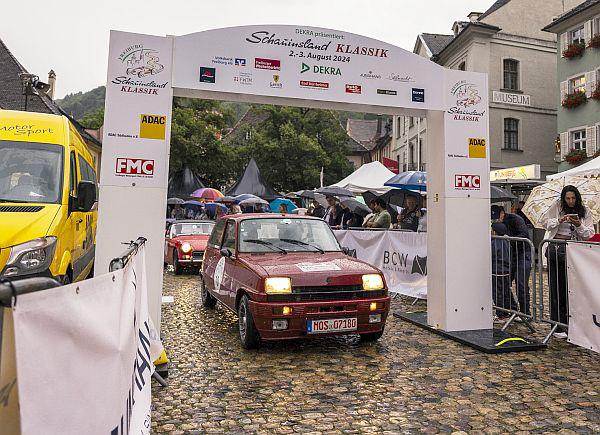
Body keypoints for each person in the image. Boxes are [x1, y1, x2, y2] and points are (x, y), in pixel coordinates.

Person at [542, 185, 595, 337]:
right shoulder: (556, 207)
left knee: (573, 287)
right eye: (568, 198)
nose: (571, 201)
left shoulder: (585, 211)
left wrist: (578, 224)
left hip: (575, 251)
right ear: (563, 199)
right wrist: (559, 220)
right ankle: (557, 323)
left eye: (573, 198)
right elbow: (545, 222)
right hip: (556, 249)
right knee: (556, 286)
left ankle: (573, 322)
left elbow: (589, 234)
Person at [491, 204, 532, 316]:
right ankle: (511, 308)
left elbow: (524, 235)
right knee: (504, 282)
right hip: (509, 256)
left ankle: (525, 313)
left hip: (523, 253)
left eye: (497, 217)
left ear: (502, 213)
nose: (496, 220)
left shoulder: (515, 219)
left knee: (521, 283)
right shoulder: (495, 224)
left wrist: (508, 240)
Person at [491, 222, 517, 319]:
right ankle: (511, 308)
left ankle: (501, 312)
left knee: (497, 292)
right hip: (506, 270)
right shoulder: (506, 241)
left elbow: (492, 255)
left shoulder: (494, 242)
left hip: (497, 270)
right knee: (506, 290)